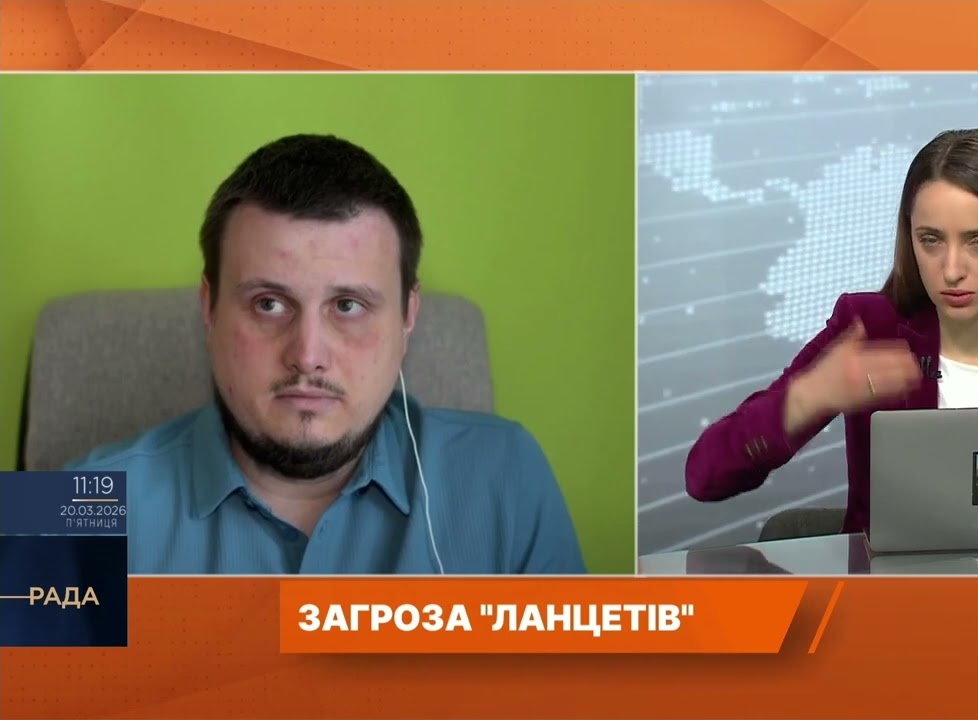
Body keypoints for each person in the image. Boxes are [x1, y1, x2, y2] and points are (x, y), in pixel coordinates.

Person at [63, 134, 587, 575]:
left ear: (408, 315)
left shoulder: (507, 476)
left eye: (348, 306)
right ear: (209, 307)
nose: (308, 355)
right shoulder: (77, 504)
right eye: (269, 304)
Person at [685, 128, 978, 536]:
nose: (951, 269)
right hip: (884, 585)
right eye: (930, 240)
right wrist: (811, 396)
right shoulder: (869, 327)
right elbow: (705, 476)